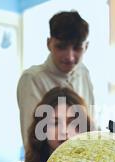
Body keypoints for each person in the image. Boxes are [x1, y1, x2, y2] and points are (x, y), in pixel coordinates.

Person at [17, 10, 94, 147]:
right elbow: (31, 141)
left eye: (77, 48)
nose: (69, 57)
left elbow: (90, 130)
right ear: (49, 43)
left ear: (86, 47)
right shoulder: (33, 79)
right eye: (61, 47)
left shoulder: (84, 73)